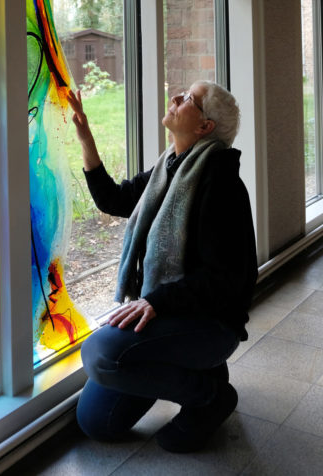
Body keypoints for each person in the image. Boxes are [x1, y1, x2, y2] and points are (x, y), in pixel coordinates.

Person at [67, 80, 258, 454]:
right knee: (97, 422)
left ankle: (211, 395)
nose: (175, 98)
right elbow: (114, 199)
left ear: (205, 128)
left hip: (209, 323)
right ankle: (200, 371)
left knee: (100, 353)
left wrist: (157, 302)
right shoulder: (168, 168)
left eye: (189, 99)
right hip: (172, 313)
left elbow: (227, 279)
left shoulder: (221, 182)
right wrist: (85, 136)